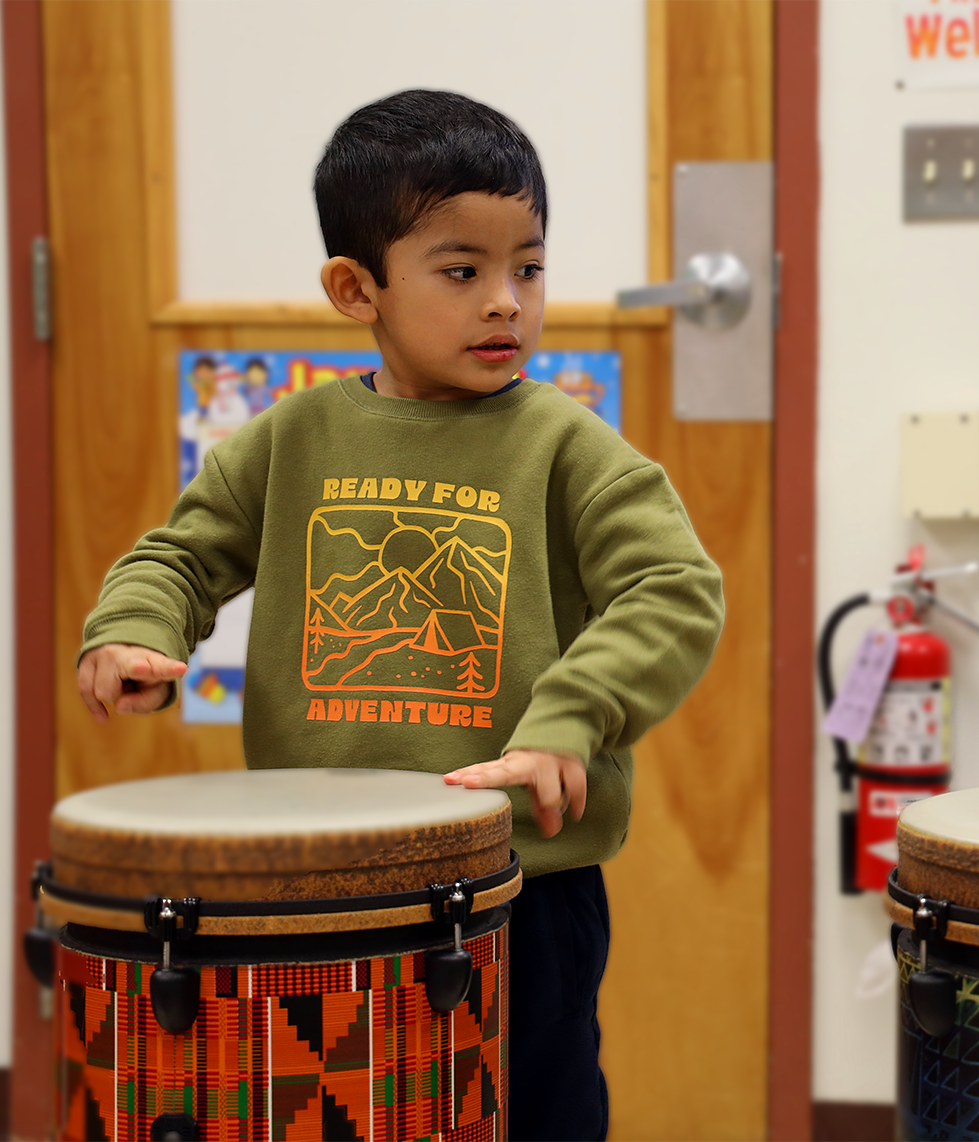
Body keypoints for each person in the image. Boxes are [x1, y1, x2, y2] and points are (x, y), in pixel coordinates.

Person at [75, 89, 724, 1140]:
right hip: (318, 877)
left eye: (529, 266)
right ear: (355, 286)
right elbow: (180, 553)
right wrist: (139, 624)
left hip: (520, 883)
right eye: (462, 271)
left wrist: (571, 715)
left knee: (534, 1113)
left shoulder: (568, 445)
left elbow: (675, 589)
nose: (506, 300)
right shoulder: (291, 439)